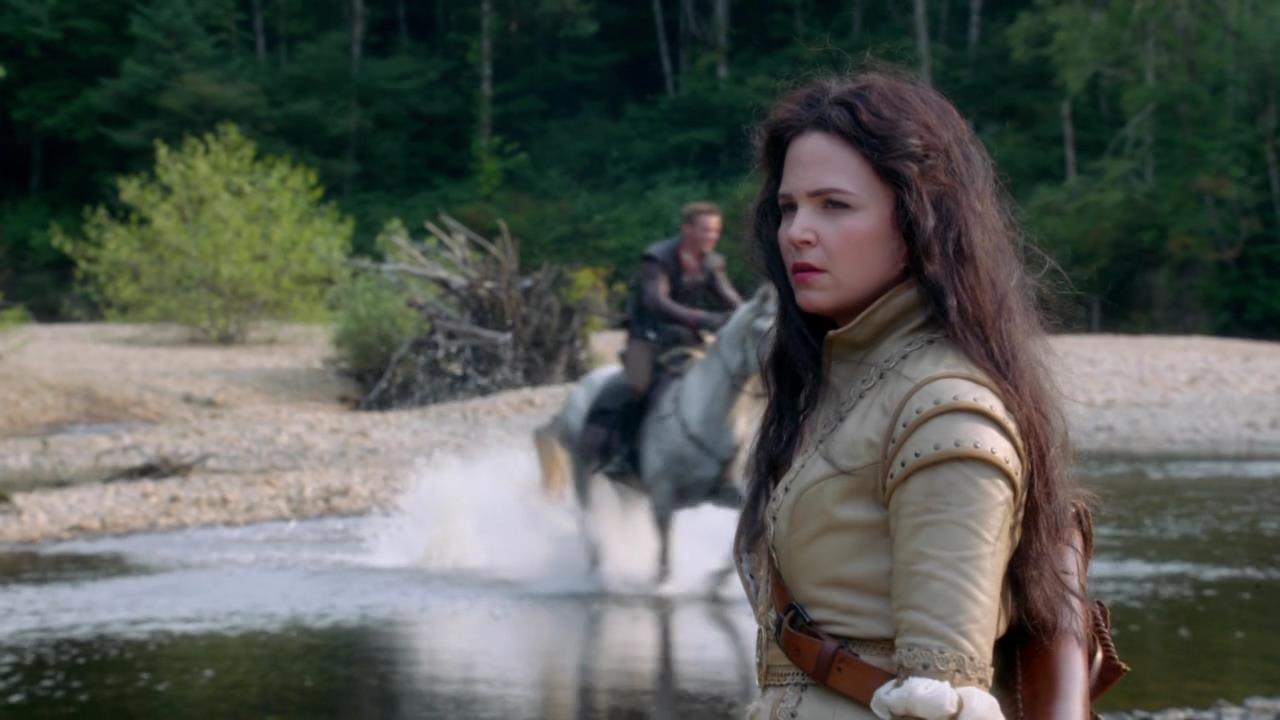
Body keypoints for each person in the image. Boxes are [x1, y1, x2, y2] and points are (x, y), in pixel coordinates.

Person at [734, 72, 1087, 719]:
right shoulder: (843, 383)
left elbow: (943, 702)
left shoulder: (947, 411)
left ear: (920, 217)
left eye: (833, 205)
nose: (797, 232)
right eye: (788, 208)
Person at [578, 202, 743, 477]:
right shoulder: (658, 257)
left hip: (686, 339)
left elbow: (731, 299)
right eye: (705, 230)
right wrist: (702, 318)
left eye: (715, 231)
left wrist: (751, 315)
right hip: (648, 337)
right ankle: (620, 453)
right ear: (687, 229)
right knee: (637, 386)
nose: (712, 236)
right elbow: (656, 302)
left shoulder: (713, 262)